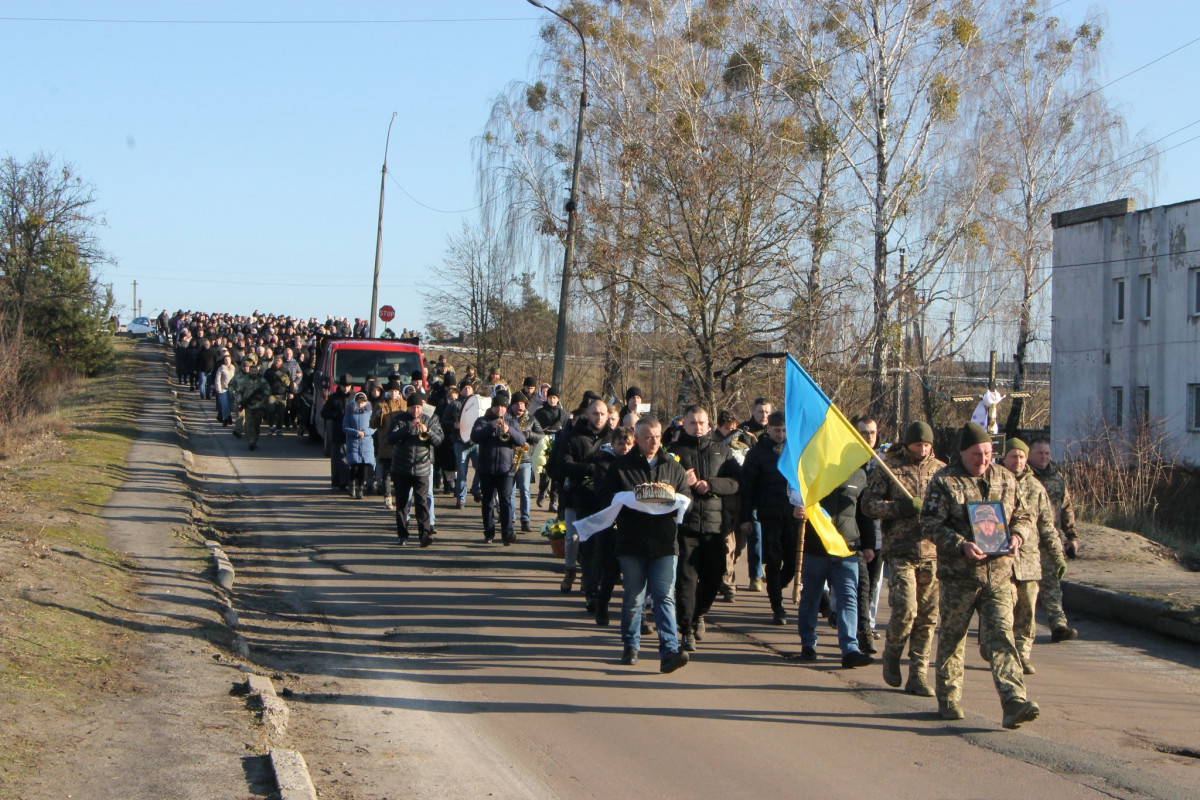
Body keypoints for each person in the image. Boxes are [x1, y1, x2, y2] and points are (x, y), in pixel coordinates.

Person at [923, 422, 1041, 729]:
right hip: (959, 577)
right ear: (962, 453)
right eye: (977, 454)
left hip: (999, 575)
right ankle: (949, 698)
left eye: (988, 453)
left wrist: (1017, 536)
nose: (983, 460)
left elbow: (1026, 515)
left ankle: (1013, 701)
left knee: (1002, 636)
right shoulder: (944, 481)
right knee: (953, 637)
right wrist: (961, 545)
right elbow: (930, 525)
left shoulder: (1006, 478)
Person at [861, 421, 945, 696]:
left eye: (927, 445)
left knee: (928, 617)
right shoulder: (890, 468)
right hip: (900, 551)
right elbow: (869, 505)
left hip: (932, 552)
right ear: (908, 443)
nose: (923, 450)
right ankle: (892, 653)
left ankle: (918, 674)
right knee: (906, 609)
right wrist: (900, 507)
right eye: (918, 444)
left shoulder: (941, 471)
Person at [603, 415, 691, 672]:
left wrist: (681, 500)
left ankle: (670, 650)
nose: (653, 442)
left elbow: (685, 495)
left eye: (657, 436)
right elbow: (605, 496)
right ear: (637, 438)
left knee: (665, 597)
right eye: (648, 437)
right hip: (632, 541)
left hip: (664, 542)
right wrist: (625, 498)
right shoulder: (621, 467)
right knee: (634, 597)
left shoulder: (672, 466)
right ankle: (631, 645)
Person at [990, 438, 1066, 674]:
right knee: (1003, 611)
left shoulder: (1036, 488)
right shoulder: (993, 482)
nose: (1018, 461)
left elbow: (1047, 525)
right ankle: (997, 648)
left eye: (1022, 457)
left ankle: (1022, 655)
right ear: (1005, 457)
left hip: (1029, 561)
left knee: (1027, 611)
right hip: (1000, 560)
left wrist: (1057, 554)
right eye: (1014, 456)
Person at [669, 406, 740, 652]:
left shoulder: (722, 450)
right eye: (692, 423)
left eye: (701, 423)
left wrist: (710, 484)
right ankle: (686, 629)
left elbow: (736, 482)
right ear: (684, 425)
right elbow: (663, 487)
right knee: (686, 580)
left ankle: (700, 613)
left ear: (709, 424)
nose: (697, 427)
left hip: (714, 525)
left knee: (714, 575)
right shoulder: (674, 453)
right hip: (685, 526)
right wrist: (684, 484)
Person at [796, 469, 876, 668]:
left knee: (848, 597)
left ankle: (850, 649)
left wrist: (868, 544)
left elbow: (863, 513)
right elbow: (793, 499)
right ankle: (808, 643)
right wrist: (795, 511)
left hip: (847, 548)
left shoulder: (859, 474)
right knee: (811, 596)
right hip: (816, 547)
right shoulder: (813, 470)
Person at [739, 411, 796, 624]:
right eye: (776, 430)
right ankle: (777, 606)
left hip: (792, 514)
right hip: (769, 514)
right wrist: (745, 518)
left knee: (792, 562)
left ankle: (775, 587)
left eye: (783, 431)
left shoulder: (794, 450)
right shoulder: (757, 453)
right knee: (773, 560)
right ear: (769, 429)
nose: (780, 434)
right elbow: (748, 487)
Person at [1028, 437, 1081, 642]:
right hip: (1027, 540)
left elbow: (1066, 508)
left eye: (1047, 453)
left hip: (1051, 539)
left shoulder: (1056, 478)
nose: (1044, 458)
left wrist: (1071, 536)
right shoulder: (1023, 478)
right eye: (1040, 453)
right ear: (1030, 455)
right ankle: (1022, 627)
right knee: (1027, 588)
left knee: (1052, 584)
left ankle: (1058, 625)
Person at [560, 399, 613, 596]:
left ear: (608, 416)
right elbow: (564, 464)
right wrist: (589, 468)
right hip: (579, 496)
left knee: (601, 544)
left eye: (602, 414)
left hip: (604, 498)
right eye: (595, 413)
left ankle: (592, 581)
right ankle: (576, 576)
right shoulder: (572, 437)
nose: (598, 417)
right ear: (587, 415)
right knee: (578, 541)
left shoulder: (613, 437)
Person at [588, 426, 635, 626]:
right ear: (613, 444)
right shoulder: (603, 464)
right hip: (609, 523)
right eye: (620, 444)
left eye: (628, 444)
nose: (624, 447)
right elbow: (601, 492)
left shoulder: (635, 464)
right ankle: (602, 604)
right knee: (610, 570)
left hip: (631, 523)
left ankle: (635, 616)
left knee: (633, 572)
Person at [388, 390, 444, 547]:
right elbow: (390, 438)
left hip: (422, 468)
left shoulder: (430, 419)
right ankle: (402, 534)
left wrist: (428, 431)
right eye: (413, 407)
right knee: (402, 504)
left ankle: (424, 534)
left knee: (422, 502)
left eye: (418, 407)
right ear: (408, 407)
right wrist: (407, 428)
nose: (416, 410)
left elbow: (439, 441)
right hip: (401, 468)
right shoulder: (399, 419)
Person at [471, 391, 526, 545]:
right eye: (497, 406)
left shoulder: (512, 422)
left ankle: (507, 534)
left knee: (506, 501)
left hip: (506, 469)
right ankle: (489, 533)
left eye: (503, 407)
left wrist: (509, 430)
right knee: (487, 502)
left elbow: (521, 440)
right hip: (486, 468)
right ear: (493, 407)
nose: (500, 409)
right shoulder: (482, 421)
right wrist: (490, 426)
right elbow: (475, 437)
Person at [716, 410, 757, 602]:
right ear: (718, 427)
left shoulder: (743, 446)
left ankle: (727, 576)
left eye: (733, 428)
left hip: (742, 502)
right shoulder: (714, 447)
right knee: (726, 545)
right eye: (726, 429)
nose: (730, 432)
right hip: (723, 503)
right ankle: (728, 584)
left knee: (739, 546)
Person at [852, 416, 884, 650]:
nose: (869, 437)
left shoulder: (883, 463)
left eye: (872, 432)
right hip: (854, 532)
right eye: (864, 432)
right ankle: (861, 629)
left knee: (872, 584)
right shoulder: (849, 461)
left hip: (878, 532)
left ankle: (867, 624)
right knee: (858, 585)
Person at [738, 398, 772, 592]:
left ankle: (767, 568)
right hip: (754, 490)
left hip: (773, 493)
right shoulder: (744, 432)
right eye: (761, 412)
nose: (764, 416)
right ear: (753, 411)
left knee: (770, 536)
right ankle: (755, 575)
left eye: (767, 412)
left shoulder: (777, 431)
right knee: (756, 536)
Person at [508, 391, 545, 533]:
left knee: (525, 490)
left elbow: (541, 436)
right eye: (517, 403)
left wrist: (529, 434)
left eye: (522, 404)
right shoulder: (506, 418)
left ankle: (525, 519)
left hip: (525, 459)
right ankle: (511, 519)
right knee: (510, 492)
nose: (520, 406)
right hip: (509, 459)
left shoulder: (530, 419)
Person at [371, 380, 407, 509]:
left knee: (399, 473)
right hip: (385, 442)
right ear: (387, 392)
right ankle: (387, 497)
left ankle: (400, 497)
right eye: (391, 391)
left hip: (401, 444)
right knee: (386, 472)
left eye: (396, 391)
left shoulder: (405, 404)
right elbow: (372, 424)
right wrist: (377, 416)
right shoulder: (380, 405)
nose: (393, 394)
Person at [534, 386, 567, 511]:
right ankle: (542, 492)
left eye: (554, 398)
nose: (552, 400)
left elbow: (566, 429)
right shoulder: (540, 412)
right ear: (546, 398)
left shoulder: (563, 414)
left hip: (558, 446)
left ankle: (553, 501)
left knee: (556, 476)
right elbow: (534, 427)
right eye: (550, 398)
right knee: (545, 474)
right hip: (544, 445)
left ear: (558, 399)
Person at [321, 374, 354, 490]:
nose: (346, 388)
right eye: (344, 386)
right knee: (337, 458)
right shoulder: (334, 398)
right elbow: (323, 413)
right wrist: (335, 415)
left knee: (350, 459)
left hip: (352, 434)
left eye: (348, 386)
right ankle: (337, 482)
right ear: (340, 386)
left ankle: (350, 482)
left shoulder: (354, 398)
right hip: (338, 432)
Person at [343, 391, 376, 498]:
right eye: (359, 402)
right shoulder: (349, 411)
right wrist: (356, 433)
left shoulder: (370, 412)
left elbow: (374, 427)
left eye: (363, 402)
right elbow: (345, 427)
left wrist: (365, 432)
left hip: (366, 442)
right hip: (354, 442)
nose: (361, 404)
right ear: (355, 402)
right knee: (355, 466)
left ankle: (360, 488)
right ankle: (351, 484)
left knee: (364, 466)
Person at [234, 356, 270, 451]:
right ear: (249, 371)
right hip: (249, 406)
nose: (254, 373)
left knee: (257, 425)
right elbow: (239, 392)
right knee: (249, 424)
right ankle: (251, 441)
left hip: (259, 406)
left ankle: (255, 439)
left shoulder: (262, 381)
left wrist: (262, 393)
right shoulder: (244, 381)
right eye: (252, 371)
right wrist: (240, 400)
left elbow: (268, 392)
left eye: (255, 371)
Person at [214, 353, 236, 426]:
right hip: (223, 389)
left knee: (231, 405)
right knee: (224, 405)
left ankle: (229, 415)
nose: (227, 361)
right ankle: (225, 419)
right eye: (225, 360)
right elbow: (217, 379)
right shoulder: (221, 368)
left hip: (232, 389)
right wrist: (218, 388)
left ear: (230, 360)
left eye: (228, 360)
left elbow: (236, 379)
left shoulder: (234, 368)